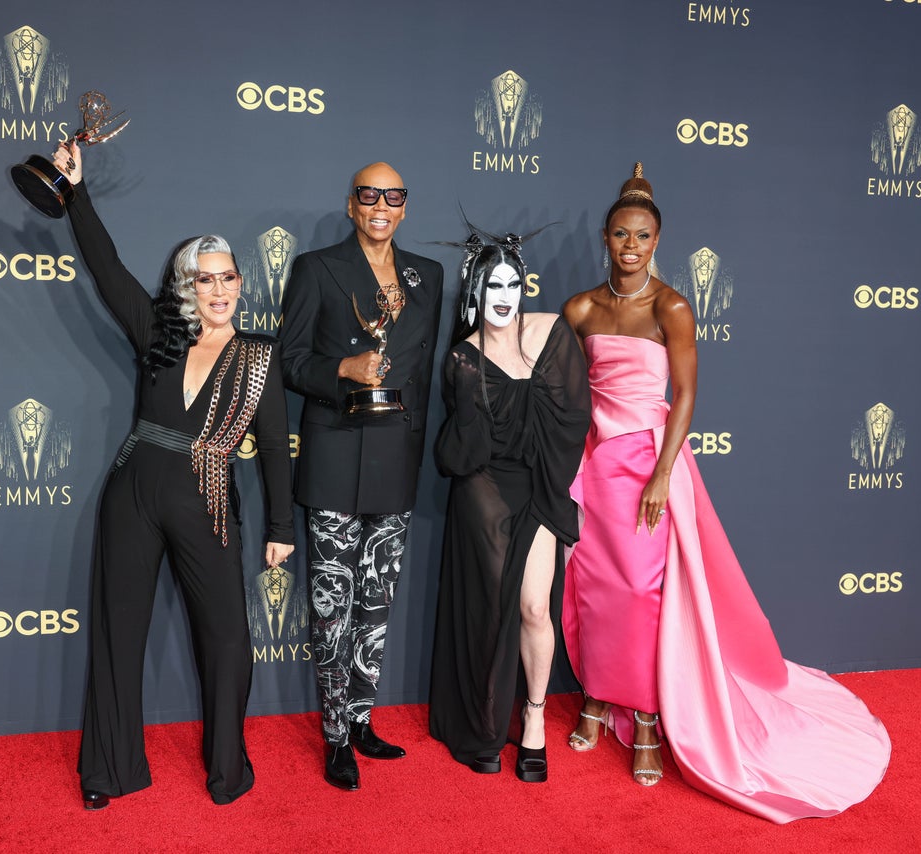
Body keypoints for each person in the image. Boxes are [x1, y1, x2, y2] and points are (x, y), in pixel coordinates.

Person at [561, 163, 890, 821]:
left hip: (652, 467)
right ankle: (598, 696)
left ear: (658, 241)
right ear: (606, 238)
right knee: (593, 586)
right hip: (595, 466)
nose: (631, 246)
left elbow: (685, 397)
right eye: (621, 235)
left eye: (643, 236)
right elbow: (567, 391)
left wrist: (660, 473)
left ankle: (649, 718)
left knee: (646, 595)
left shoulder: (672, 307)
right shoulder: (582, 308)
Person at [51, 141, 295, 809]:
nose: (217, 290)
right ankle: (108, 771)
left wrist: (280, 528)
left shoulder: (258, 358)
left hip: (208, 501)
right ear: (186, 285)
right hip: (132, 495)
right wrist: (76, 193)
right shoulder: (158, 331)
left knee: (227, 642)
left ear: (242, 283)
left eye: (227, 277)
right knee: (117, 632)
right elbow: (106, 269)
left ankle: (228, 769)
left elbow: (275, 448)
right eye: (204, 279)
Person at [279, 162, 444, 791]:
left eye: (393, 196)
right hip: (334, 454)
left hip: (394, 457)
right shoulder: (317, 268)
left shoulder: (426, 277)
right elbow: (290, 360)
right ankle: (333, 735)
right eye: (369, 195)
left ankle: (363, 719)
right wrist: (343, 367)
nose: (381, 205)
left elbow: (424, 379)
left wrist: (416, 449)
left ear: (405, 207)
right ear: (351, 205)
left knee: (377, 603)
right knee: (332, 606)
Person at [427, 229, 590, 782]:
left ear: (524, 286)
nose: (503, 294)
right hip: (483, 489)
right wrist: (469, 397)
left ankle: (535, 715)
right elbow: (463, 454)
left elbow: (572, 421)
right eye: (491, 284)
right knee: (492, 609)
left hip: (540, 485)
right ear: (473, 290)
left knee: (534, 608)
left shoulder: (550, 333)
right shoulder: (462, 358)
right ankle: (484, 723)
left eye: (512, 283)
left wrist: (558, 488)